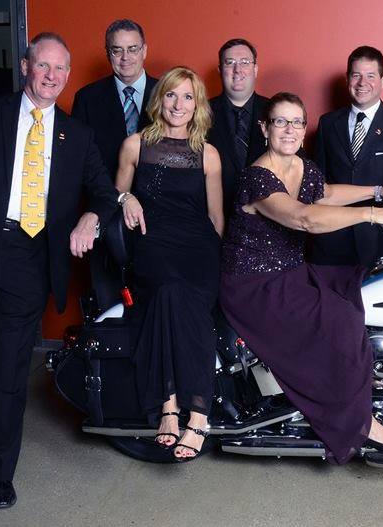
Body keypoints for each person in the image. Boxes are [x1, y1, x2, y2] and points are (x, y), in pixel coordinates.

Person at [0, 33, 118, 508]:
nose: (52, 77)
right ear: (26, 66)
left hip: (30, 258)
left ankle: (0, 471)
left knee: (9, 368)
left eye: (61, 69)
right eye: (44, 66)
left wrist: (89, 218)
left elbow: (103, 191)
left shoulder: (76, 136)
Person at [219, 92, 383, 464]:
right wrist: (375, 214)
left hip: (290, 273)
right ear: (265, 128)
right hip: (253, 284)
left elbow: (324, 194)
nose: (290, 129)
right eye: (280, 121)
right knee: (341, 320)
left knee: (356, 287)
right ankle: (358, 422)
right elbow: (303, 218)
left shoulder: (302, 167)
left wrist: (380, 190)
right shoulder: (257, 176)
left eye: (297, 122)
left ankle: (359, 386)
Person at [116, 67, 224, 462]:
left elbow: (215, 217)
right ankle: (170, 404)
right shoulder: (135, 145)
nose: (179, 105)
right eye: (171, 96)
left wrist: (219, 259)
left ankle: (194, 413)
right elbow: (112, 193)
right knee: (167, 291)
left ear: (198, 107)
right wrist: (124, 199)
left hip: (198, 248)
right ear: (159, 99)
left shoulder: (208, 154)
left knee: (188, 298)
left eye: (188, 98)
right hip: (153, 244)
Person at [72, 19, 158, 312]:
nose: (126, 58)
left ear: (145, 50)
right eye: (117, 50)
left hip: (159, 221)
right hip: (106, 217)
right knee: (108, 307)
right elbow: (81, 164)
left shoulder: (170, 95)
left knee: (156, 306)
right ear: (107, 53)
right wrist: (116, 199)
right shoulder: (87, 99)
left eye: (133, 49)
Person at [311, 46, 383, 268]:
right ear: (347, 78)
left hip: (379, 242)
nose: (362, 83)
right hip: (331, 240)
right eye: (356, 75)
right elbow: (317, 187)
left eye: (370, 76)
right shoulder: (327, 124)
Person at [208, 38, 269, 213]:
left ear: (255, 69)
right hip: (215, 216)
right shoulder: (200, 113)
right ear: (220, 70)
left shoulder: (276, 112)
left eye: (245, 62)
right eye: (230, 63)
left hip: (267, 218)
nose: (238, 70)